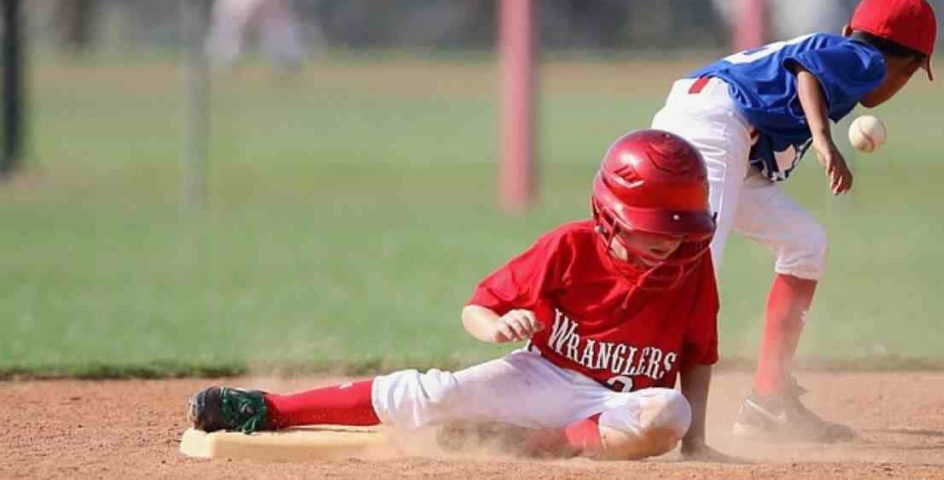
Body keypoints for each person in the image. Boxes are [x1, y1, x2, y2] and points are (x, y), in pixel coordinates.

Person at [188, 130, 727, 460]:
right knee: (432, 394)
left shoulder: (693, 267)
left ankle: (538, 446)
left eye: (681, 228)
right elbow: (478, 308)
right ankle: (270, 408)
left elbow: (697, 356)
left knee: (668, 412)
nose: (670, 241)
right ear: (609, 216)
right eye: (653, 229)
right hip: (546, 376)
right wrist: (496, 328)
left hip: (621, 407)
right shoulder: (570, 247)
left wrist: (696, 439)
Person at [651, 0, 937, 443]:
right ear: (908, 66)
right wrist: (824, 141)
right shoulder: (867, 60)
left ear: (851, 28)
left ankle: (769, 402)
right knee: (697, 275)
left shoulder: (840, 48)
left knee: (804, 243)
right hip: (714, 127)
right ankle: (632, 395)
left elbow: (808, 69)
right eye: (908, 75)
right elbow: (807, 73)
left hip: (715, 126)